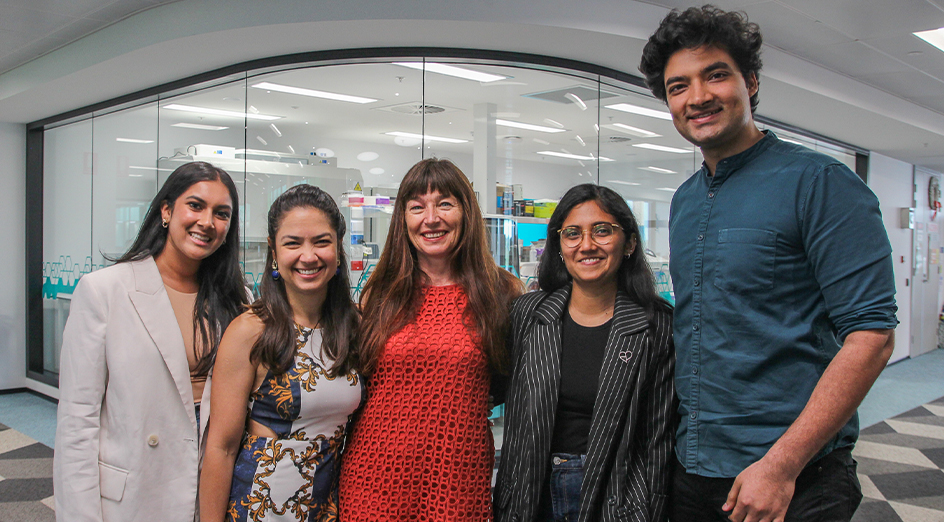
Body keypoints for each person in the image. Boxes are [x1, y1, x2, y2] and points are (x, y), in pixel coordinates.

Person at [639, 6, 898, 522]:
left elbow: (871, 334)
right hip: (693, 467)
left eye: (715, 74)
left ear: (750, 81)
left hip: (793, 476)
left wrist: (780, 466)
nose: (698, 97)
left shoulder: (820, 184)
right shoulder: (686, 200)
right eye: (678, 86)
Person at [53, 161, 249, 522]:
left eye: (222, 214)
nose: (207, 222)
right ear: (166, 210)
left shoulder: (238, 302)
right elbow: (76, 423)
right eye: (195, 205)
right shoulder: (105, 291)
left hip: (207, 488)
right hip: (135, 493)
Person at [339, 158, 521, 521]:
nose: (431, 218)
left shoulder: (502, 292)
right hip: (372, 481)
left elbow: (508, 384)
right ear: (402, 220)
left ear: (466, 212)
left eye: (445, 204)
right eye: (417, 207)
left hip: (457, 483)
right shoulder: (380, 293)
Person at [494, 184, 675, 522]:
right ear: (560, 247)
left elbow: (658, 440)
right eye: (572, 234)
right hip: (531, 496)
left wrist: (650, 508)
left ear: (630, 243)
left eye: (602, 231)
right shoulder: (529, 314)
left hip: (615, 498)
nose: (587, 245)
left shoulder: (656, 326)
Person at [200, 184, 362, 522]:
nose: (309, 255)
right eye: (293, 243)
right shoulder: (251, 330)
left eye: (321, 241)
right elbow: (221, 448)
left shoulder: (355, 326)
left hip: (328, 506)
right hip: (261, 508)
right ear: (274, 252)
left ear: (337, 249)